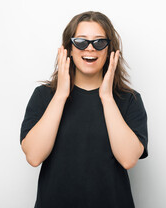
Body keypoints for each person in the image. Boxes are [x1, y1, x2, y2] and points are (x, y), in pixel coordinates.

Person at [20, 11, 148, 208]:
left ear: (109, 50)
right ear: (69, 49)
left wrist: (106, 97)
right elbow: (34, 156)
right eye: (81, 41)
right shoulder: (44, 96)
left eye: (99, 42)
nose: (90, 49)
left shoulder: (129, 100)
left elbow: (128, 159)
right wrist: (61, 95)